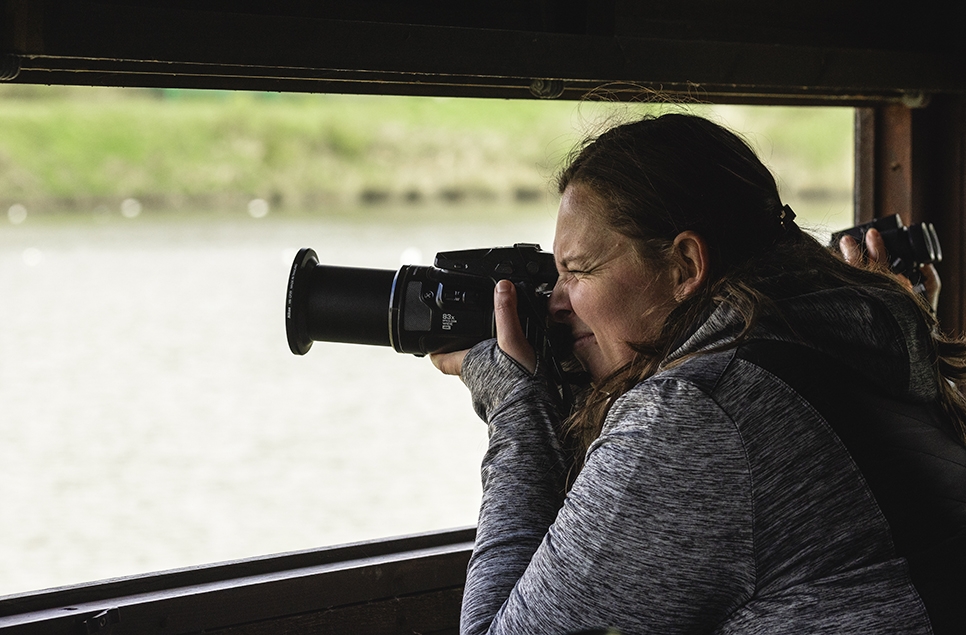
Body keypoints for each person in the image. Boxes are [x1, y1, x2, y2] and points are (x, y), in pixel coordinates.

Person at [431, 112, 966, 635]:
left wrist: (517, 407)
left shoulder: (700, 412)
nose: (555, 303)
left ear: (685, 265)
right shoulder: (851, 335)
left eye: (578, 271)